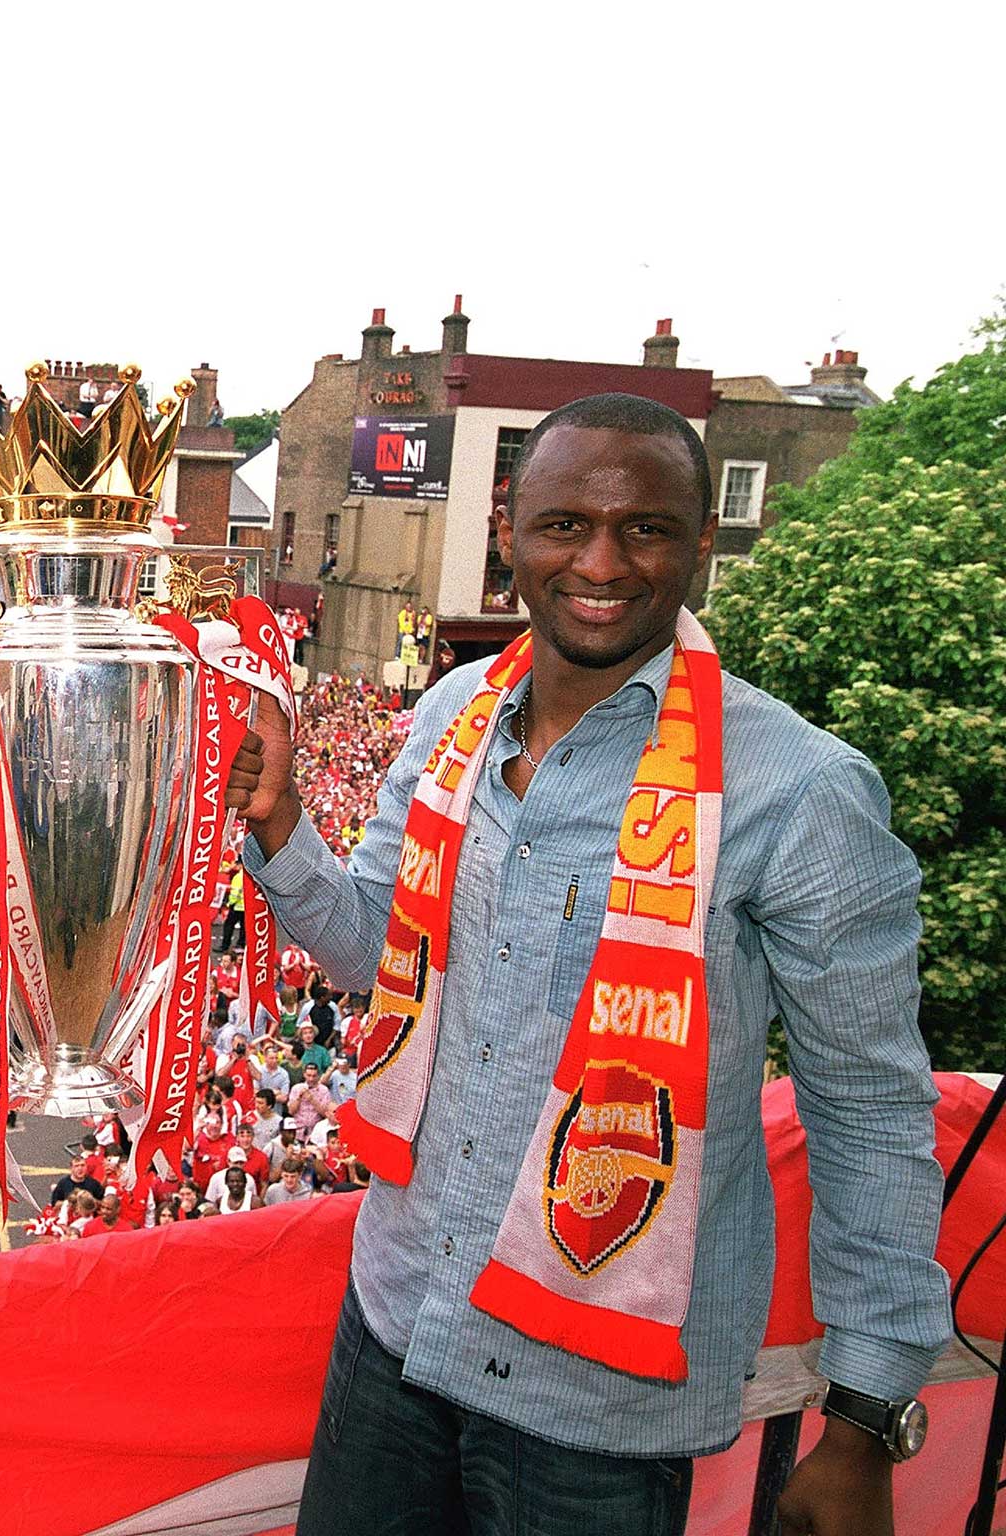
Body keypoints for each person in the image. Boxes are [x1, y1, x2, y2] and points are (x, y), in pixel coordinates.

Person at [227, 393, 947, 1536]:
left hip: (592, 1409)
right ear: (508, 531)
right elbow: (378, 948)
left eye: (644, 528)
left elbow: (865, 1116)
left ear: (699, 542)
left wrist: (864, 1423)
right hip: (397, 1323)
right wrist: (279, 834)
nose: (600, 562)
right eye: (564, 525)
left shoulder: (801, 794)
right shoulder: (452, 712)